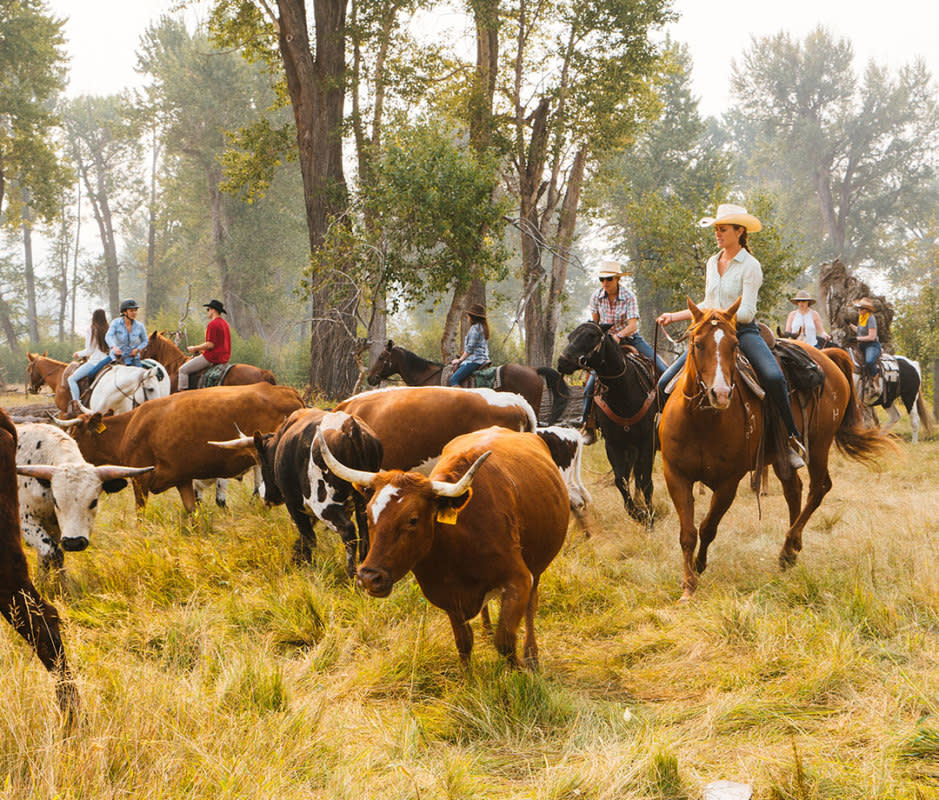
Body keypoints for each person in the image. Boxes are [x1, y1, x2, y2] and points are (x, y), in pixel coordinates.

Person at [656, 203, 806, 469]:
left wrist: (718, 318)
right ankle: (661, 437)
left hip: (742, 331)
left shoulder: (751, 265)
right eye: (716, 229)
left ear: (739, 231)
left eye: (722, 229)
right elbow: (706, 302)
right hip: (710, 329)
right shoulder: (713, 262)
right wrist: (675, 316)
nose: (717, 233)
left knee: (773, 377)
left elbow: (747, 310)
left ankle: (789, 438)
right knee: (665, 381)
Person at [579, 261, 667, 445]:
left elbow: (633, 325)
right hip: (606, 345)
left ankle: (667, 420)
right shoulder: (596, 296)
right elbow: (596, 323)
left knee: (662, 369)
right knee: (590, 384)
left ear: (617, 279)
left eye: (609, 279)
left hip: (630, 338)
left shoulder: (628, 296)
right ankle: (587, 423)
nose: (605, 282)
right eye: (602, 279)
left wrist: (618, 336)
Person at [66, 308, 111, 417]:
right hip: (108, 360)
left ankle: (76, 403)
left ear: (94, 317)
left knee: (71, 379)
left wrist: (78, 354)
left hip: (95, 362)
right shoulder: (108, 329)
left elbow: (89, 350)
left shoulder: (92, 330)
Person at [179, 299, 232, 390]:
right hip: (224, 357)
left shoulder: (212, 324)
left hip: (212, 357)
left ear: (213, 310)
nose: (207, 312)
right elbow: (219, 343)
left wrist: (194, 348)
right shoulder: (225, 324)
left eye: (208, 309)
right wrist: (201, 349)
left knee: (183, 370)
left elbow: (210, 344)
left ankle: (183, 395)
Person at [448, 303, 490, 386]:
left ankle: (460, 398)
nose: (467, 318)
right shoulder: (482, 327)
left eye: (468, 316)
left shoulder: (475, 329)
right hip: (482, 359)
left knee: (453, 379)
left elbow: (470, 349)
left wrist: (459, 360)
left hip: (475, 360)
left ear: (472, 317)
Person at [106, 299, 147, 368]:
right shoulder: (115, 323)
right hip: (117, 358)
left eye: (135, 310)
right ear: (124, 312)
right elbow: (108, 336)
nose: (134, 313)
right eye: (131, 311)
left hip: (133, 359)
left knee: (142, 377)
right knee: (93, 372)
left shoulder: (140, 326)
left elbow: (145, 341)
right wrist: (114, 347)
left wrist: (137, 349)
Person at [850, 296, 881, 377]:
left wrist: (856, 338)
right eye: (859, 309)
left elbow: (871, 337)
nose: (859, 310)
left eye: (861, 309)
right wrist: (849, 325)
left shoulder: (871, 319)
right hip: (861, 345)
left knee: (869, 361)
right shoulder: (861, 318)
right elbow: (860, 331)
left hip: (871, 345)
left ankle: (875, 378)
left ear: (866, 310)